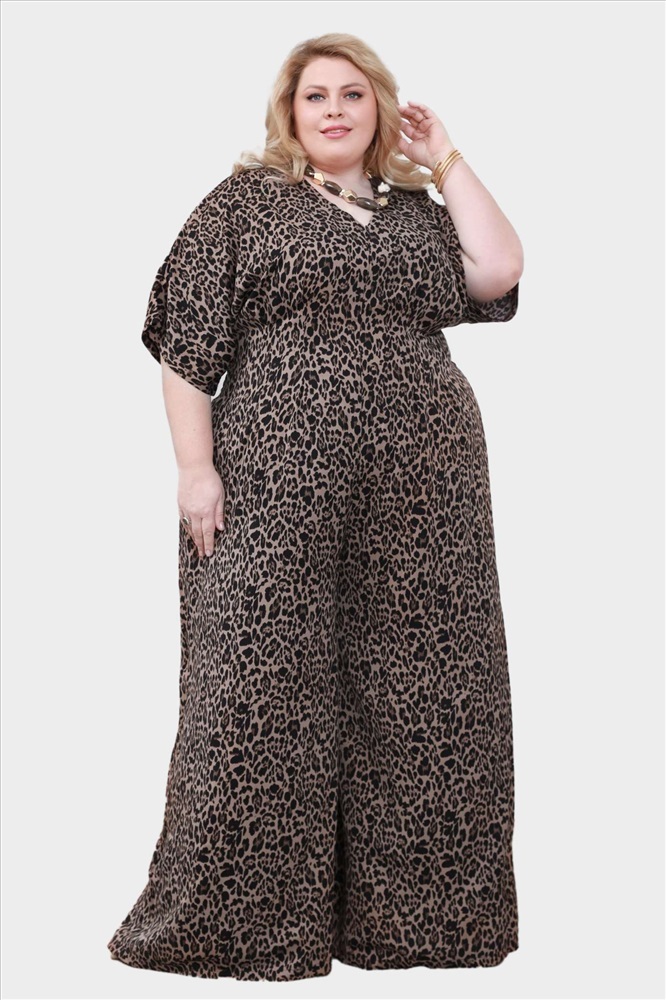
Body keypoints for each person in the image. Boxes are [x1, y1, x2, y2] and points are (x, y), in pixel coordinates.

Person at [107, 31, 523, 983]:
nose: (333, 110)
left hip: (426, 491)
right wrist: (194, 469)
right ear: (288, 115)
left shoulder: (418, 216)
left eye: (352, 95)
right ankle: (238, 927)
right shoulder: (244, 205)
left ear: (380, 108)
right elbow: (185, 345)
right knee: (255, 686)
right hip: (272, 481)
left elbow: (498, 269)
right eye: (314, 97)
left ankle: (417, 926)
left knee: (429, 691)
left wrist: (444, 155)